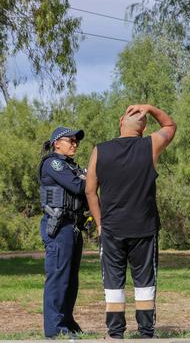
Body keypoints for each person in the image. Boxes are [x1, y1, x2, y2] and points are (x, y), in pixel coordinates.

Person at [85, 104, 176, 339]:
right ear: (144, 128)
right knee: (145, 282)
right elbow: (170, 125)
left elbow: (90, 191)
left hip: (112, 230)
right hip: (144, 229)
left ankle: (115, 334)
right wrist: (150, 108)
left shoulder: (100, 150)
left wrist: (99, 223)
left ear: (120, 122)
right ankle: (146, 333)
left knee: (113, 282)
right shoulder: (150, 146)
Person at [38, 126, 88, 339]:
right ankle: (55, 329)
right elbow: (78, 186)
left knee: (70, 279)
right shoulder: (53, 163)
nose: (74, 144)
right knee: (58, 277)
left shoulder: (70, 166)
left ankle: (67, 321)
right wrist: (86, 178)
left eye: (76, 141)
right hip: (59, 228)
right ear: (57, 143)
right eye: (70, 140)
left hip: (73, 227)